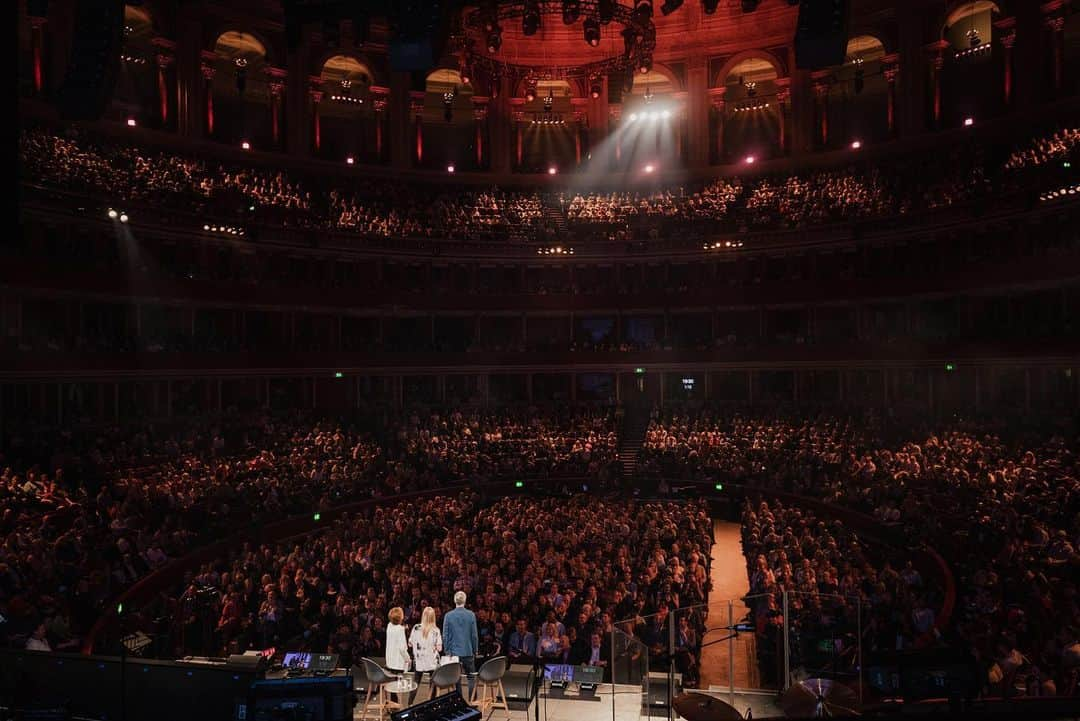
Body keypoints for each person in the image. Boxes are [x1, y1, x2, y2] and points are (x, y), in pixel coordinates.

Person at [442, 591, 478, 699]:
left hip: (454, 652)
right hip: (468, 650)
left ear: (454, 601)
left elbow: (445, 635)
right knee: (471, 677)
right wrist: (475, 649)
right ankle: (472, 701)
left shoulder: (448, 616)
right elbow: (474, 635)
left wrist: (447, 650)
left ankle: (459, 701)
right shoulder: (471, 615)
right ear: (465, 601)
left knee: (456, 678)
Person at [410, 607, 443, 701]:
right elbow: (439, 648)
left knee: (416, 682)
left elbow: (410, 643)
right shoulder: (436, 630)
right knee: (432, 683)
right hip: (432, 661)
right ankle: (430, 703)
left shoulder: (416, 628)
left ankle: (409, 703)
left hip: (419, 661)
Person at [386, 607, 412, 705]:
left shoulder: (389, 626)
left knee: (393, 682)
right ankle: (396, 705)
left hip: (390, 662)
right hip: (397, 663)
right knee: (397, 683)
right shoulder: (400, 630)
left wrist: (403, 628)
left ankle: (393, 703)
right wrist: (408, 659)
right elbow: (402, 649)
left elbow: (396, 627)